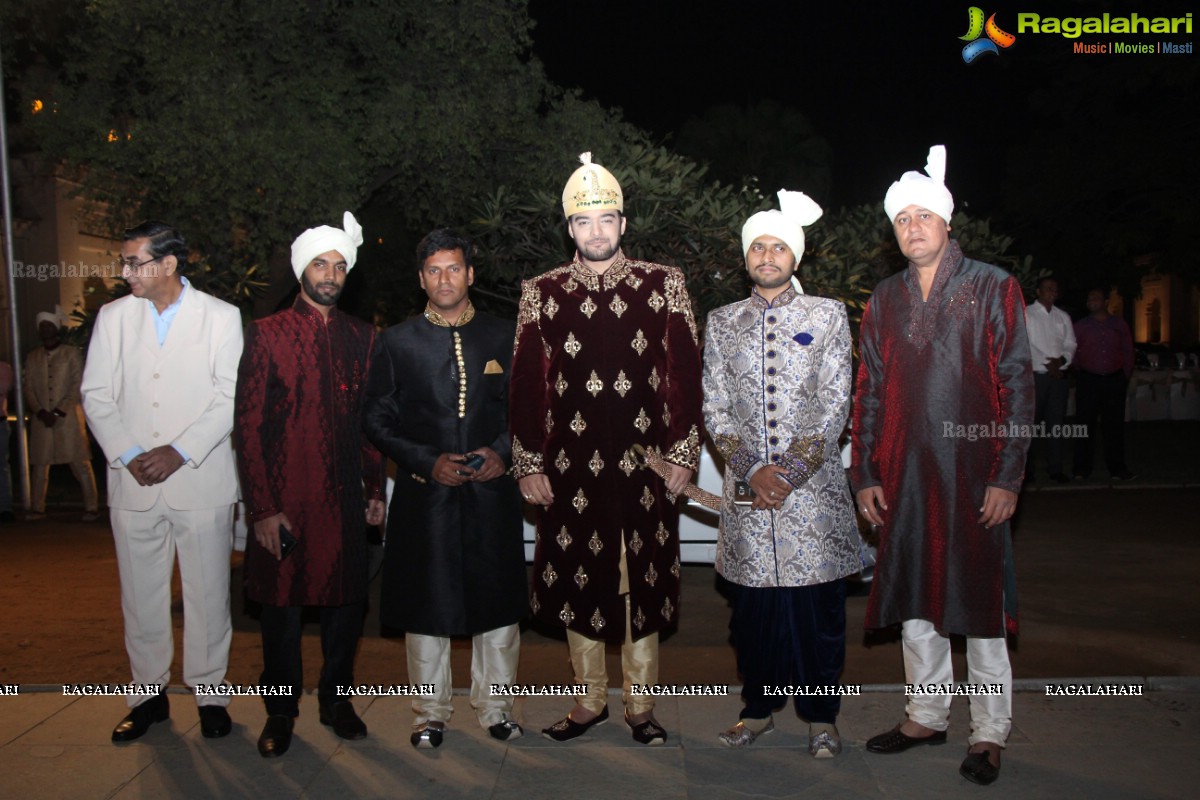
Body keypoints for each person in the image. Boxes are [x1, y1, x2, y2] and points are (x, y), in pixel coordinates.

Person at [851, 146, 1034, 786]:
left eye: (925, 216)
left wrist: (1008, 475)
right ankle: (924, 715)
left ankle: (989, 732)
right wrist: (866, 473)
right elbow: (868, 390)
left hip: (974, 477)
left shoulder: (992, 286)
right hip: (904, 476)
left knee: (979, 604)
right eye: (903, 219)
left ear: (948, 224)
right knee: (916, 599)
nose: (913, 227)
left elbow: (1016, 384)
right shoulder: (885, 297)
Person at [510, 152, 703, 745]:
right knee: (580, 580)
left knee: (640, 583)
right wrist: (528, 464)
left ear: (623, 223)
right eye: (584, 222)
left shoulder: (662, 283)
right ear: (569, 228)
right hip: (570, 470)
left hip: (645, 469)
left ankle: (640, 707)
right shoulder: (540, 293)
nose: (596, 232)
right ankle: (588, 700)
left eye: (607, 221)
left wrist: (682, 454)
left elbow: (685, 376)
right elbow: (524, 387)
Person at [702, 191, 860, 757]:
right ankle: (757, 711)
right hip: (748, 494)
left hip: (810, 493)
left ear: (796, 256)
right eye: (758, 247)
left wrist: (788, 471)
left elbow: (835, 401)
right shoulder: (721, 323)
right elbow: (714, 406)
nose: (767, 255)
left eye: (778, 247)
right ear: (746, 256)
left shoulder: (826, 315)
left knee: (816, 612)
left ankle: (822, 718)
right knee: (752, 613)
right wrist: (750, 470)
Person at [363, 229, 527, 749]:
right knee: (426, 606)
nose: (444, 279)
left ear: (471, 273)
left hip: (491, 492)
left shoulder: (506, 334)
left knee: (496, 604)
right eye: (433, 271)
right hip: (423, 494)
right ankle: (429, 713)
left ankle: (495, 707)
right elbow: (377, 419)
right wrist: (425, 461)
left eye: (453, 268)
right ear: (421, 280)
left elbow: (527, 410)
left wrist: (501, 452)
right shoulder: (396, 340)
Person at [81, 221, 243, 742]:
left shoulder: (220, 317)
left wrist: (179, 451)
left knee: (208, 595)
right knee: (140, 596)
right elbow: (97, 395)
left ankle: (210, 695)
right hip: (133, 484)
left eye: (135, 262)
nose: (125, 271)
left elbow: (229, 397)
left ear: (169, 264)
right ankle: (147, 697)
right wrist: (129, 454)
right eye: (124, 262)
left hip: (200, 481)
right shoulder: (112, 318)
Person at [235, 211, 386, 759]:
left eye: (340, 265)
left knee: (348, 603)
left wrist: (374, 490)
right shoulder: (267, 334)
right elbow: (248, 428)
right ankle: (281, 709)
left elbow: (371, 423)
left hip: (344, 496)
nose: (331, 274)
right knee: (282, 608)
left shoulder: (362, 338)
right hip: (286, 500)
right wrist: (263, 509)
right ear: (303, 269)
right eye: (321, 263)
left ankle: (336, 701)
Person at [23, 308, 101, 521]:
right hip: (42, 418)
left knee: (80, 463)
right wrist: (39, 410)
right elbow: (28, 386)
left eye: (49, 325)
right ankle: (38, 508)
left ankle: (91, 506)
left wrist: (58, 411)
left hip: (67, 418)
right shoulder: (33, 357)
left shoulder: (71, 353)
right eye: (42, 326)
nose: (45, 329)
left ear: (56, 328)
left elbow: (77, 383)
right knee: (40, 466)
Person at [1072, 288, 1135, 481]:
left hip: (1114, 380)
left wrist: (1124, 376)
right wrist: (1080, 372)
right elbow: (1072, 350)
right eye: (1089, 298)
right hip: (1088, 380)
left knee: (1114, 426)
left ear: (1106, 301)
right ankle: (1082, 469)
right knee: (1084, 426)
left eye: (1096, 298)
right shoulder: (1080, 326)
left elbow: (1128, 351)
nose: (1091, 301)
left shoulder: (1119, 324)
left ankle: (1117, 469)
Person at [1024, 277, 1076, 483]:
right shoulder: (1027, 313)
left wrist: (1061, 361)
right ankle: (1028, 471)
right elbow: (1025, 343)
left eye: (1055, 289)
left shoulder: (1062, 316)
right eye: (1047, 288)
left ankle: (1055, 468)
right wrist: (1048, 363)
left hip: (1058, 378)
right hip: (1036, 376)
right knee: (1031, 426)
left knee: (1056, 425)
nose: (1052, 292)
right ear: (1038, 291)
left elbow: (1071, 343)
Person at [0, 361, 15, 523]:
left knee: (1, 466)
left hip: (0, 422)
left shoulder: (3, 368)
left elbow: (3, 388)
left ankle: (4, 508)